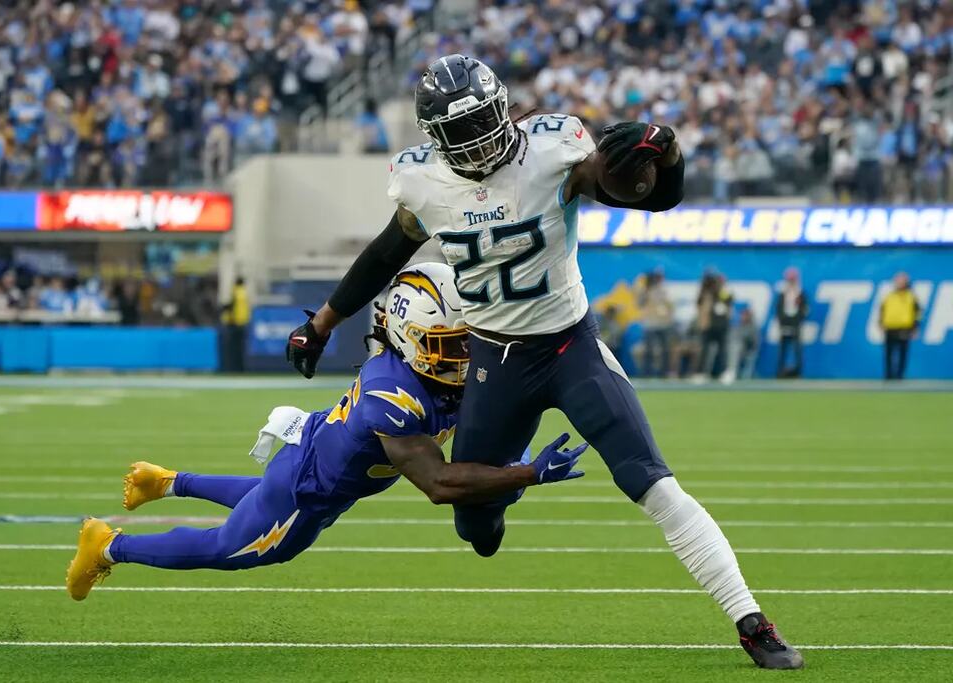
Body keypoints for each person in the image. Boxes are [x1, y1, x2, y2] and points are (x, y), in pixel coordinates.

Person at [285, 55, 802, 669]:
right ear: (434, 139)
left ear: (503, 107)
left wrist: (666, 153)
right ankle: (499, 502)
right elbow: (384, 253)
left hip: (569, 346)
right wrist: (321, 324)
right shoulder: (421, 182)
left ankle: (751, 621)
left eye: (483, 120)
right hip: (495, 361)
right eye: (461, 130)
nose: (477, 139)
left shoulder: (554, 147)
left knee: (651, 481)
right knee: (476, 530)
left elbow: (648, 196)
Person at [66, 264, 586, 600]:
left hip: (314, 444)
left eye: (465, 342)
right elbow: (439, 485)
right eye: (451, 345)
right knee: (231, 547)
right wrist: (528, 473)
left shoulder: (415, 365)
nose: (464, 356)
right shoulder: (395, 398)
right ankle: (109, 545)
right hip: (313, 486)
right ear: (412, 337)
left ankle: (168, 481)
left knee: (264, 494)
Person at [879, 272, 920, 380]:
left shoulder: (911, 296)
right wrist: (881, 323)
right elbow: (882, 310)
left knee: (902, 354)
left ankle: (900, 376)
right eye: (897, 280)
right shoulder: (889, 296)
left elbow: (917, 313)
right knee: (888, 354)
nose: (899, 283)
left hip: (904, 328)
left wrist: (915, 328)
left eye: (902, 280)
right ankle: (888, 376)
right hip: (890, 328)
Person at [775, 267, 809, 378]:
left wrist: (797, 320)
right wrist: (782, 321)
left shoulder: (801, 293)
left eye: (792, 279)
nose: (791, 282)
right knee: (782, 349)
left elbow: (805, 310)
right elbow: (778, 308)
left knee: (797, 349)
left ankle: (798, 372)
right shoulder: (783, 293)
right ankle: (780, 372)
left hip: (796, 324)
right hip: (784, 324)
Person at [639, 268, 673, 377]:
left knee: (665, 350)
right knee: (649, 350)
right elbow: (640, 303)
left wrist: (668, 317)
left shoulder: (665, 290)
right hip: (650, 324)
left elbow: (670, 307)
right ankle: (647, 373)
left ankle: (664, 372)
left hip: (663, 324)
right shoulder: (646, 290)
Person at [221, 276, 251, 373]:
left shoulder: (236, 292)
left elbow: (231, 307)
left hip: (234, 323)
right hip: (243, 322)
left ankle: (232, 368)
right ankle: (241, 368)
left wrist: (224, 309)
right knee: (241, 348)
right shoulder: (245, 293)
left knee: (232, 349)